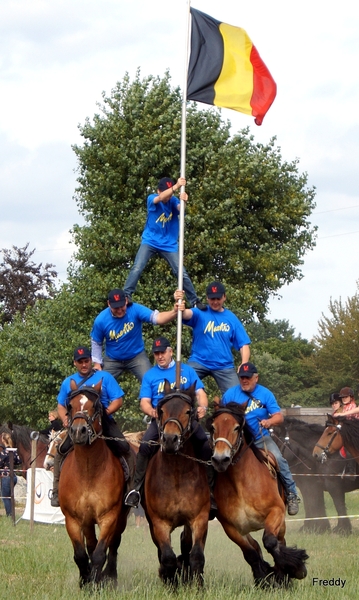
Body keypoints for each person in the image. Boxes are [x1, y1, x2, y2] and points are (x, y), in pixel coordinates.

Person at [124, 336, 216, 516]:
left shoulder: (187, 371)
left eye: (162, 352)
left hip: (186, 420)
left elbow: (201, 393)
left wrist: (203, 407)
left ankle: (212, 491)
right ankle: (136, 490)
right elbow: (144, 401)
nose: (159, 356)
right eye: (156, 353)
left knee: (205, 445)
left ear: (170, 351)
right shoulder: (150, 375)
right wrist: (152, 412)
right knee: (144, 447)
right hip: (161, 420)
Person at [51, 345, 132, 507]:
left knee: (125, 448)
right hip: (77, 424)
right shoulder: (68, 382)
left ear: (91, 360)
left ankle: (129, 490)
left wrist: (106, 412)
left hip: (103, 421)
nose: (84, 364)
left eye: (86, 361)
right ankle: (56, 492)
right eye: (80, 362)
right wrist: (65, 418)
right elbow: (61, 405)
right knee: (60, 451)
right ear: (75, 363)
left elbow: (118, 399)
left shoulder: (105, 377)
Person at [221, 362, 300, 515]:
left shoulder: (265, 394)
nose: (244, 380)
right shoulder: (230, 394)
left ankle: (291, 494)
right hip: (234, 442)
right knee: (216, 459)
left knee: (279, 459)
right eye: (242, 377)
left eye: (248, 377)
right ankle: (212, 497)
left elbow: (279, 417)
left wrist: (269, 421)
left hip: (259, 439)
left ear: (256, 378)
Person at [123, 176, 205, 310]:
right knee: (138, 266)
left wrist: (183, 202)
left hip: (168, 244)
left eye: (170, 194)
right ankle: (127, 295)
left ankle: (194, 301)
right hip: (150, 240)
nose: (168, 197)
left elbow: (180, 209)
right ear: (158, 190)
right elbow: (160, 198)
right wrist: (175, 187)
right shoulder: (152, 198)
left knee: (181, 272)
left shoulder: (172, 200)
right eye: (166, 193)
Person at [175, 281, 251, 394]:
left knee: (237, 396)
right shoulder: (200, 312)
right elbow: (186, 314)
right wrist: (180, 306)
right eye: (212, 299)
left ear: (224, 297)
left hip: (224, 366)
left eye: (218, 298)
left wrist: (244, 362)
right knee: (179, 385)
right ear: (207, 298)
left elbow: (243, 344)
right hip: (198, 362)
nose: (215, 302)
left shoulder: (231, 318)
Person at [91, 288, 180, 382]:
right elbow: (96, 342)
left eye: (122, 306)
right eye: (116, 308)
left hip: (136, 356)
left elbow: (157, 318)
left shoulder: (135, 309)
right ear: (109, 304)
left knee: (152, 381)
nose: (120, 310)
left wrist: (174, 312)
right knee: (99, 385)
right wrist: (97, 363)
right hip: (113, 359)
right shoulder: (101, 320)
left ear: (126, 300)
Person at [0, 445, 21, 516]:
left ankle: (10, 515)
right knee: (10, 496)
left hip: (5, 477)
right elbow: (19, 461)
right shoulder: (14, 452)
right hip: (13, 476)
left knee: (6, 497)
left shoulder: (2, 453)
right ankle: (12, 514)